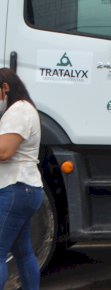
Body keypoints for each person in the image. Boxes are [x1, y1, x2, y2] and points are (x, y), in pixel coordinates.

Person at [0, 69, 43, 290]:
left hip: (16, 188)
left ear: (5, 88)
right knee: (22, 251)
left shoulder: (19, 111)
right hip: (23, 189)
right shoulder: (19, 109)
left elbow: (4, 152)